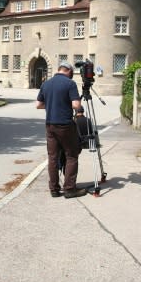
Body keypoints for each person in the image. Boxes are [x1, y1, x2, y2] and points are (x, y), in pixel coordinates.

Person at [36, 62, 86, 198]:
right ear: (68, 71)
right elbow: (76, 104)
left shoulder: (46, 83)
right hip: (65, 125)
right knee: (71, 155)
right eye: (72, 73)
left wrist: (53, 104)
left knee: (52, 158)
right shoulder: (70, 84)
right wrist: (76, 107)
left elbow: (38, 105)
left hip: (50, 125)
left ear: (59, 70)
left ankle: (54, 189)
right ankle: (70, 189)